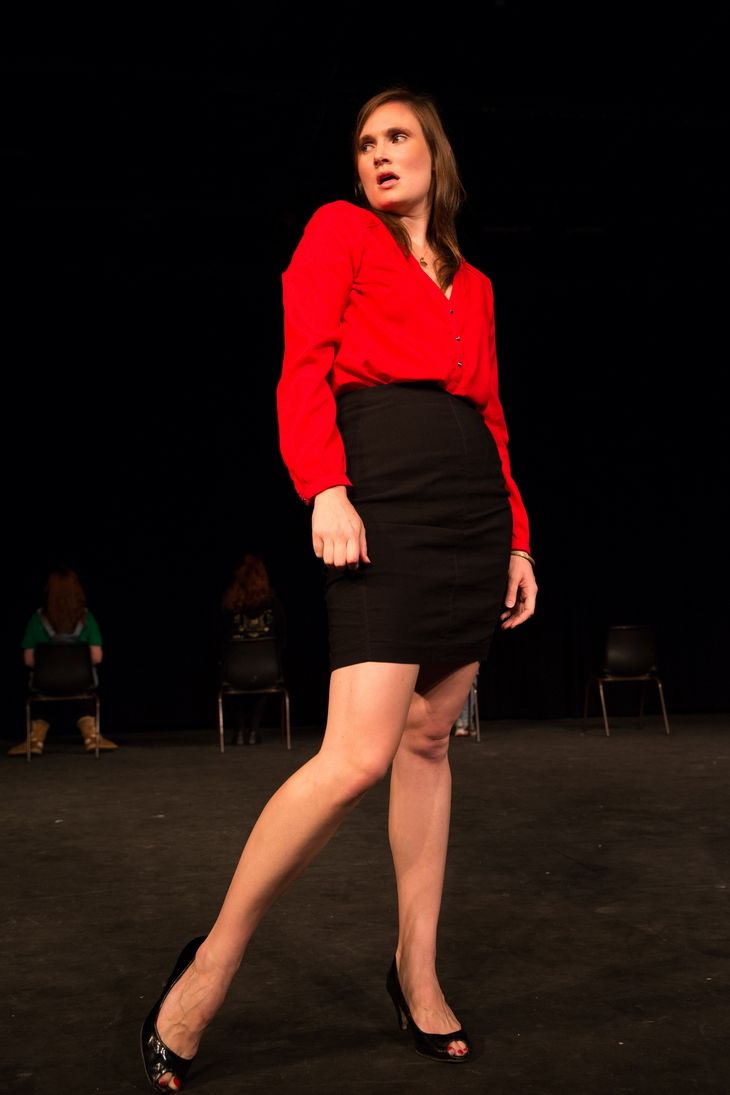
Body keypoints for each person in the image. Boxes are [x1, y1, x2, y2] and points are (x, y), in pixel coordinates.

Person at [141, 86, 537, 1091]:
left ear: (434, 155)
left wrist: (518, 542)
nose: (378, 155)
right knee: (355, 755)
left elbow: (492, 418)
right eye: (365, 144)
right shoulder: (339, 232)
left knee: (428, 740)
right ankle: (210, 964)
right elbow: (301, 368)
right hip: (382, 491)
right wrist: (324, 484)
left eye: (397, 138)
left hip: (470, 508)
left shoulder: (475, 285)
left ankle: (416, 969)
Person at [8, 566, 118, 755]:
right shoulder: (87, 619)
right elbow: (97, 658)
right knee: (83, 689)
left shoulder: (36, 620)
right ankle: (91, 735)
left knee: (42, 692)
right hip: (82, 682)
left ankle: (35, 739)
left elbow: (28, 661)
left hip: (44, 684)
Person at [219, 553, 287, 745]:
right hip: (268, 671)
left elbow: (220, 639)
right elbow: (283, 638)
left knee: (239, 675)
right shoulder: (274, 604)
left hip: (235, 672)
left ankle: (240, 731)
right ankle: (254, 731)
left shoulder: (229, 605)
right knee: (261, 675)